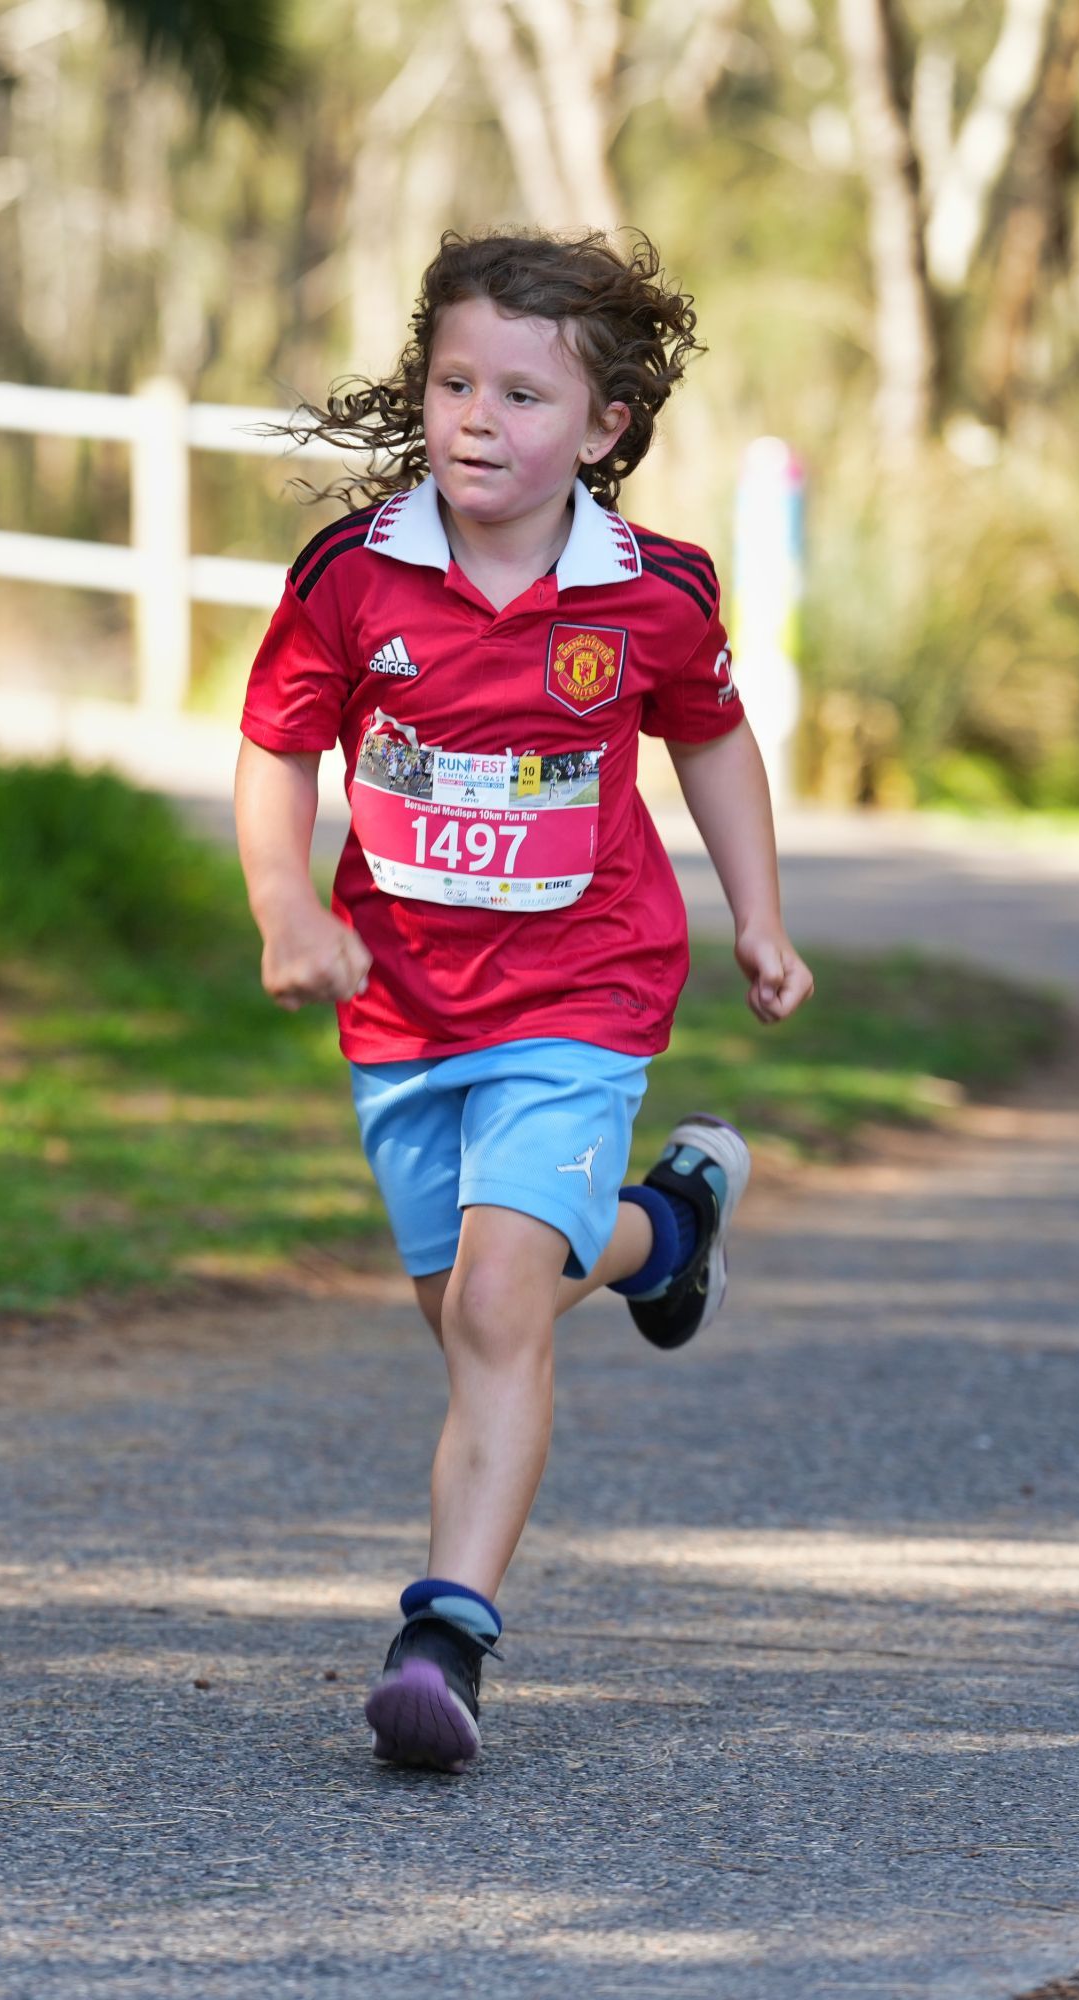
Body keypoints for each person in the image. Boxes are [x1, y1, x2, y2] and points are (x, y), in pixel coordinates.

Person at [235, 228, 813, 1776]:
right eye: (452, 382)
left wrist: (757, 914)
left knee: (501, 1303)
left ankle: (448, 1635)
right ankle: (669, 1230)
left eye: (523, 395)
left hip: (586, 986)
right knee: (465, 1308)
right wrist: (288, 902)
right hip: (405, 1012)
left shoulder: (650, 595)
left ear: (607, 427)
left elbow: (712, 743)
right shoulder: (356, 577)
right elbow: (279, 746)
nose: (479, 418)